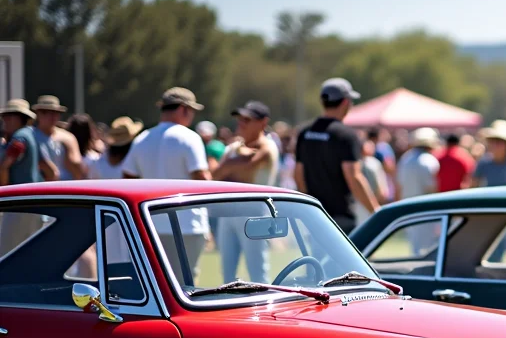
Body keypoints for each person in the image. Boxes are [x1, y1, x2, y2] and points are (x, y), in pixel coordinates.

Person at [123, 87, 212, 273]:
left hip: (149, 223)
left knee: (156, 283)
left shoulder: (142, 138)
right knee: (185, 285)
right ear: (184, 109)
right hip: (186, 225)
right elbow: (202, 178)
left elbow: (127, 178)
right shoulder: (189, 138)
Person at [293, 78, 379, 233]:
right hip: (341, 216)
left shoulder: (305, 133)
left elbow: (298, 175)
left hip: (315, 215)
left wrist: (309, 208)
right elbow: (354, 177)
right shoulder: (346, 135)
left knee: (318, 257)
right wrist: (375, 211)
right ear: (346, 102)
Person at [212, 101, 278, 283]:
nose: (241, 123)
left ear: (263, 122)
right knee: (227, 276)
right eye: (240, 119)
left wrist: (228, 167)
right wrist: (231, 167)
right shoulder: (233, 148)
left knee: (258, 274)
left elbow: (246, 168)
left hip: (255, 214)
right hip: (228, 214)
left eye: (247, 120)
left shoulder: (269, 146)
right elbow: (215, 176)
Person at [32, 95, 84, 179]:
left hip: (63, 187)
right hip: (38, 187)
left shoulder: (67, 137)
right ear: (38, 113)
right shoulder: (30, 136)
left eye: (56, 112)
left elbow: (76, 165)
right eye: (46, 112)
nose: (52, 116)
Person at [0, 99, 42, 185]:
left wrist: (3, 191)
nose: (5, 119)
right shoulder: (31, 133)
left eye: (10, 115)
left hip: (18, 194)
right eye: (4, 115)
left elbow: (4, 167)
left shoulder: (20, 137)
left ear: (21, 118)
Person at [473, 120, 506, 187]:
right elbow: (474, 186)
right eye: (492, 141)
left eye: (499, 142)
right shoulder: (483, 164)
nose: (495, 145)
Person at [396, 127, 440, 199]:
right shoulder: (430, 160)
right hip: (424, 205)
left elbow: (399, 187)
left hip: (406, 204)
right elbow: (432, 188)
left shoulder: (405, 158)